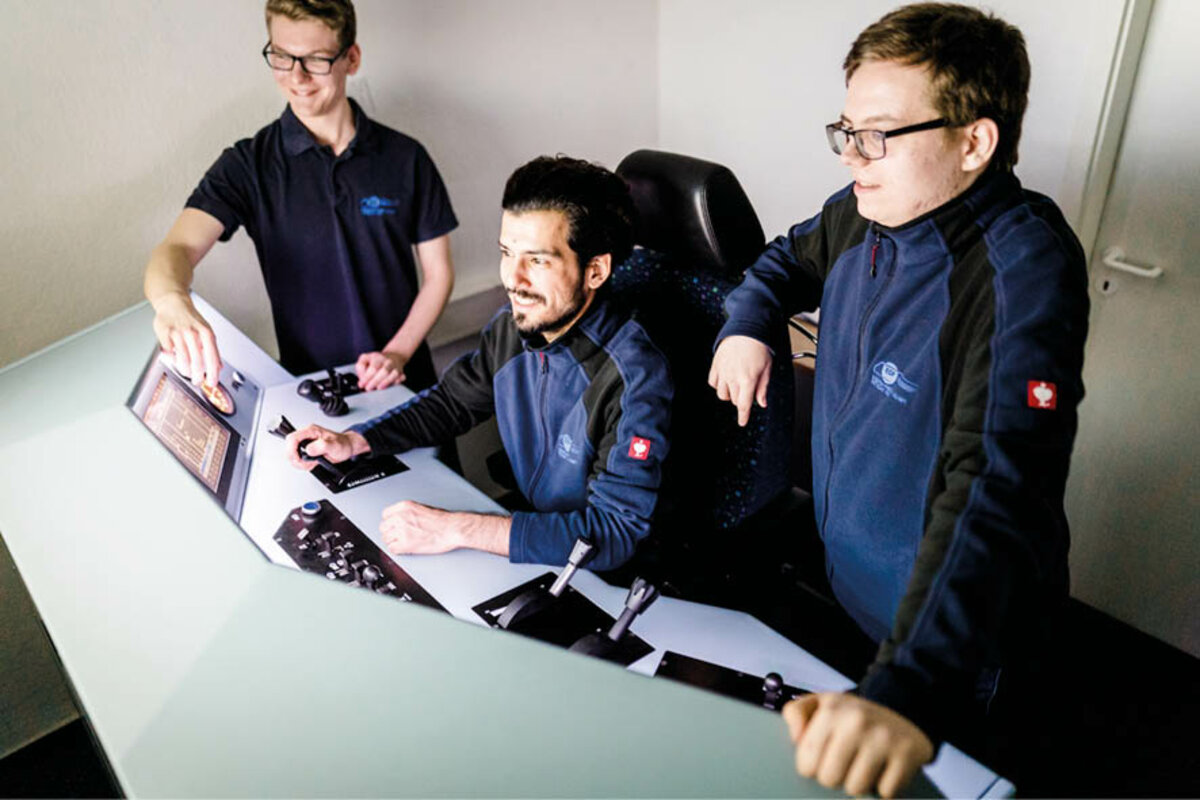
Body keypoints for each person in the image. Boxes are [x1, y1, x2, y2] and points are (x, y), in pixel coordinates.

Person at [707, 3, 1089, 797]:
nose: (852, 155)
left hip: (952, 648)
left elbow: (993, 483)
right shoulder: (865, 208)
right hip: (855, 598)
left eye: (877, 134)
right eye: (846, 131)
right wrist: (746, 325)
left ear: (974, 143)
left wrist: (907, 687)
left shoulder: (1021, 269)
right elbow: (781, 262)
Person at [284, 156, 672, 571]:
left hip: (610, 577)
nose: (513, 279)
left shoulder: (634, 375)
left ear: (595, 271)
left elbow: (614, 533)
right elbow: (452, 403)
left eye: (537, 260)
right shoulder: (513, 328)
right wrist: (357, 441)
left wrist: (457, 529)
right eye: (507, 253)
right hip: (536, 543)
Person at [144, 0, 457, 394]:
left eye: (316, 59)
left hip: (410, 386)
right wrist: (171, 301)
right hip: (313, 398)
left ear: (351, 58)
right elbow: (176, 249)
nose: (297, 76)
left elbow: (439, 274)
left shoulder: (406, 158)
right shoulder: (248, 166)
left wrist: (396, 353)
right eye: (282, 56)